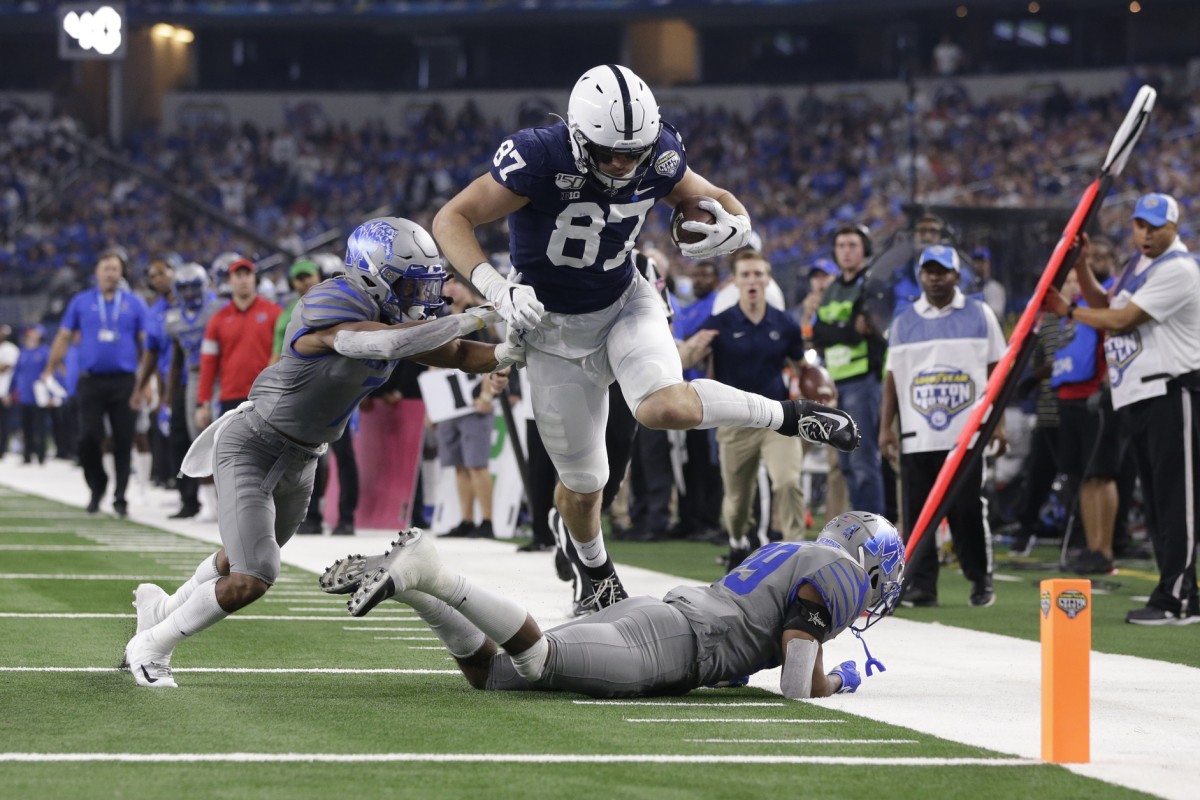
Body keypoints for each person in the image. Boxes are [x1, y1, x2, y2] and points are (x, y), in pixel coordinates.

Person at [432, 63, 859, 612]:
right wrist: (493, 285)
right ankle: (595, 570)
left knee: (662, 407)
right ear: (578, 136)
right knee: (584, 486)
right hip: (549, 326)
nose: (621, 164)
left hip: (624, 301)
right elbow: (453, 217)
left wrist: (737, 222)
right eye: (609, 152)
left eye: (631, 153)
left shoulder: (658, 152)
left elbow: (709, 196)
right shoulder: (539, 156)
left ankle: (791, 415)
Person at [122, 217, 527, 688]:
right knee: (256, 573)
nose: (422, 297)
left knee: (240, 558)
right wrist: (479, 314)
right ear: (377, 274)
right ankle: (152, 647)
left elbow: (456, 353)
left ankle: (161, 611)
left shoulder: (391, 312)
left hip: (303, 457)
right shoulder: (333, 299)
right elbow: (381, 343)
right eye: (413, 284)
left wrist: (510, 352)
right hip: (254, 442)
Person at [327, 510, 905, 700]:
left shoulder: (795, 551)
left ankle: (415, 588)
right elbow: (798, 675)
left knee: (496, 676)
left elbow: (764, 636)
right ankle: (435, 573)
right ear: (871, 562)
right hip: (676, 642)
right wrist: (840, 682)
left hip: (666, 617)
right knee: (541, 658)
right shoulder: (842, 576)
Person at [1045, 194, 1200, 625]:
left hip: (1172, 391)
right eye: (1139, 225)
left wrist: (1068, 311)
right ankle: (1179, 591)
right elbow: (1106, 306)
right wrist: (1079, 266)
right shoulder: (1138, 266)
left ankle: (1178, 599)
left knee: (1175, 501)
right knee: (1154, 501)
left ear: (1175, 226)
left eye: (1155, 226)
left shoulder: (1180, 269)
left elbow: (1123, 320)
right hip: (1137, 396)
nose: (1146, 234)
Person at [880, 245, 1006, 608]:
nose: (935, 277)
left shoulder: (981, 314)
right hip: (917, 435)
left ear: (956, 275)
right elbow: (892, 377)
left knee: (966, 510)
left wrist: (996, 423)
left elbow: (998, 372)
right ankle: (922, 586)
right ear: (921, 275)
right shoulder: (903, 321)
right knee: (918, 514)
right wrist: (885, 426)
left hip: (966, 435)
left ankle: (980, 578)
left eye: (943, 271)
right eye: (929, 271)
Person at [703, 249, 809, 567]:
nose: (752, 280)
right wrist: (688, 350)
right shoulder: (719, 323)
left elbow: (801, 367)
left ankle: (797, 554)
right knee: (737, 503)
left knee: (788, 481)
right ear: (735, 281)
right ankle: (737, 541)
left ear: (767, 279)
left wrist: (820, 387)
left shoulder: (785, 323)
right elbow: (691, 357)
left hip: (777, 417)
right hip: (734, 419)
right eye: (746, 274)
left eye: (758, 274)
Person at [41, 250, 150, 516]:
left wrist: (146, 381)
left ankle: (121, 495)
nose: (111, 273)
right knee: (87, 438)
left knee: (124, 440)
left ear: (121, 272)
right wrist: (50, 367)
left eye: (115, 268)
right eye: (106, 268)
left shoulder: (135, 303)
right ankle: (97, 484)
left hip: (125, 380)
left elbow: (147, 344)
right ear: (97, 273)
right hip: (91, 381)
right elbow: (64, 336)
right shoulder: (81, 301)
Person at [812, 224, 887, 516]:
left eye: (853, 245)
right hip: (834, 385)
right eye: (841, 245)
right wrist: (844, 329)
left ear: (865, 249)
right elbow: (819, 333)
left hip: (863, 382)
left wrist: (836, 330)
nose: (846, 251)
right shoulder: (831, 289)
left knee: (863, 462)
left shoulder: (871, 285)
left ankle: (873, 532)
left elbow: (862, 330)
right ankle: (857, 524)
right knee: (845, 463)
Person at [434, 274, 502, 540]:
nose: (451, 287)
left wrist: (487, 396)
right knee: (460, 464)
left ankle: (487, 520)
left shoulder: (480, 316)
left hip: (473, 397)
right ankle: (466, 519)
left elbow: (493, 355)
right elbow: (433, 360)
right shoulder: (443, 316)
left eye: (456, 282)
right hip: (449, 399)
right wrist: (434, 404)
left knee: (476, 463)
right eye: (447, 283)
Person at [160, 263, 222, 519]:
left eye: (193, 288)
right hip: (194, 374)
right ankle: (211, 505)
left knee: (223, 438)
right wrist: (167, 399)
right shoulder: (172, 319)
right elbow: (176, 358)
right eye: (183, 289)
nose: (188, 294)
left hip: (220, 373)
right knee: (197, 439)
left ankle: (224, 504)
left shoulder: (216, 309)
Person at [14, 325, 51, 464]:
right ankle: (27, 455)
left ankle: (41, 455)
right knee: (26, 427)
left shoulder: (44, 352)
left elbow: (50, 373)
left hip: (39, 396)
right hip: (25, 395)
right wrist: (14, 390)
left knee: (40, 426)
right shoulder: (23, 352)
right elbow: (17, 373)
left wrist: (50, 393)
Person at [0, 324, 17, 458]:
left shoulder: (11, 349)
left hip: (5, 391)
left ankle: (2, 450)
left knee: (3, 423)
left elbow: (6, 367)